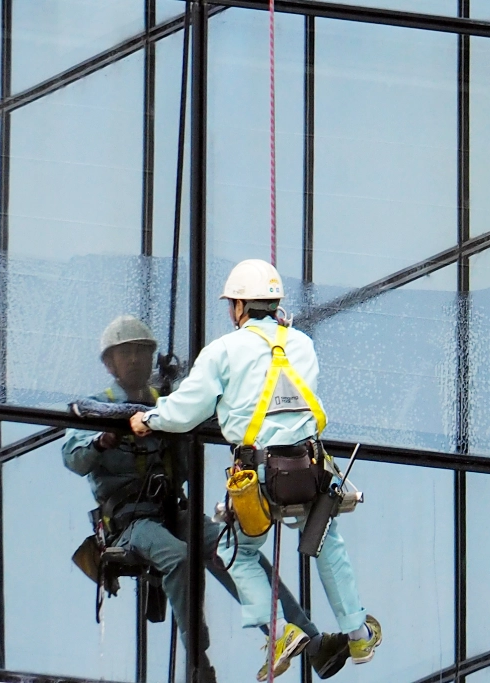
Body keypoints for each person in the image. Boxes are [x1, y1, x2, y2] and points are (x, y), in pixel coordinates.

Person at [63, 316, 352, 682]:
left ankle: (310, 642)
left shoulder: (166, 405)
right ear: (109, 363)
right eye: (126, 353)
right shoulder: (96, 409)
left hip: (172, 510)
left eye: (141, 351)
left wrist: (177, 416)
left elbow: (187, 460)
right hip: (129, 522)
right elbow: (73, 458)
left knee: (232, 548)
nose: (135, 359)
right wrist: (100, 441)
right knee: (180, 558)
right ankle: (199, 663)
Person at [128, 260, 381, 679]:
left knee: (235, 552)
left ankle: (282, 633)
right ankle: (358, 634)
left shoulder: (224, 351)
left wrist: (149, 420)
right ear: (276, 304)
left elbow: (187, 410)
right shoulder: (302, 344)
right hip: (309, 470)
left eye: (232, 304)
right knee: (326, 543)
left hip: (259, 479)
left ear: (239, 306)